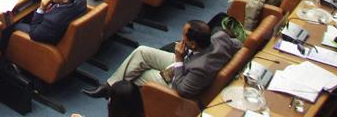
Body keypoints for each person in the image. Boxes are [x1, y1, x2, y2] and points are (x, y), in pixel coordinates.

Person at [83, 20, 242, 101]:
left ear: (193, 44)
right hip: (188, 61)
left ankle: (118, 97)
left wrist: (179, 59)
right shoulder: (220, 37)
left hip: (181, 76)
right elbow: (239, 45)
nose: (181, 38)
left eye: (184, 37)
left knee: (139, 74)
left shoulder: (201, 67)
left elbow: (182, 90)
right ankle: (109, 87)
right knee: (142, 51)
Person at [10, 0, 86, 44]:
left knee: (16, 25)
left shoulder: (53, 20)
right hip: (62, 29)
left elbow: (34, 34)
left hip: (48, 39)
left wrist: (41, 9)